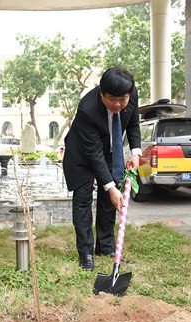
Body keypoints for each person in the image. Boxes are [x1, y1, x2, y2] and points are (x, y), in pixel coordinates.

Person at [62, 67, 141, 271]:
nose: (117, 104)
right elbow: (94, 155)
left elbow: (132, 124)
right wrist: (111, 187)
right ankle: (86, 253)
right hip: (81, 153)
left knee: (109, 200)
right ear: (101, 93)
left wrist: (136, 151)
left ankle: (105, 247)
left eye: (122, 100)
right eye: (111, 99)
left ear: (129, 95)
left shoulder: (130, 96)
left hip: (108, 150)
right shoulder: (88, 109)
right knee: (83, 199)